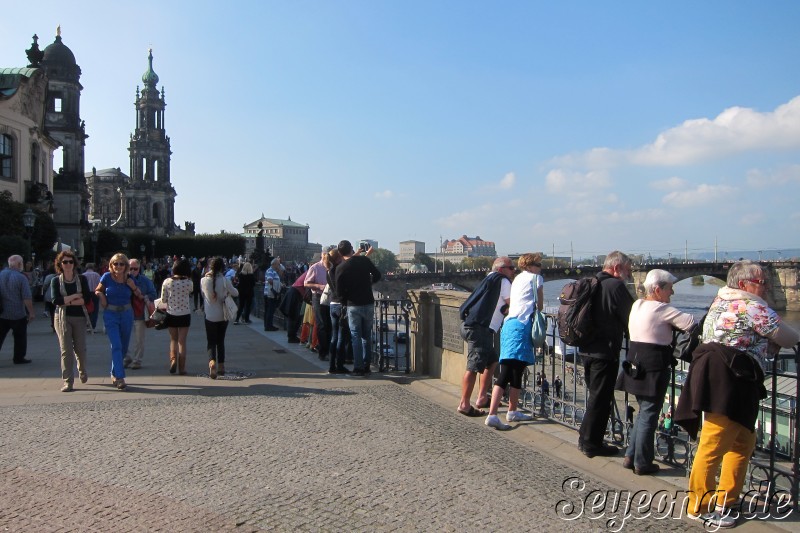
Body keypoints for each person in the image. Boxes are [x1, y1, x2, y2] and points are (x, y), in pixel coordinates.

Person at [675, 260, 799, 528]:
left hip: (724, 376)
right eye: (761, 282)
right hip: (729, 379)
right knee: (713, 444)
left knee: (742, 442)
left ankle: (726, 500)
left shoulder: (719, 299)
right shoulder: (749, 305)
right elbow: (789, 337)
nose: (766, 287)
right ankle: (700, 505)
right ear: (744, 285)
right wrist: (773, 340)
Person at [615, 269, 695, 475]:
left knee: (643, 413)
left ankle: (630, 456)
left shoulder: (637, 304)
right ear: (657, 289)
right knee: (649, 414)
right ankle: (643, 463)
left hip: (634, 363)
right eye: (670, 288)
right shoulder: (661, 309)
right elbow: (691, 324)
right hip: (654, 366)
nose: (672, 293)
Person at [577, 251, 634, 457]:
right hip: (605, 349)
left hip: (585, 347)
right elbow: (631, 317)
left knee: (595, 397)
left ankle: (585, 438)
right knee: (600, 399)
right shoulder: (616, 286)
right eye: (627, 270)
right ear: (617, 267)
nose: (628, 275)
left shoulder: (590, 281)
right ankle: (592, 443)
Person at [485, 253, 542, 429]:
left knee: (516, 370)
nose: (541, 267)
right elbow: (540, 305)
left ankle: (512, 411)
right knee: (508, 372)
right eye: (539, 264)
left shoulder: (516, 279)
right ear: (531, 265)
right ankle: (493, 414)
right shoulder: (536, 278)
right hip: (522, 326)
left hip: (509, 325)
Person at [456, 257, 513, 416]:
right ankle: (464, 404)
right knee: (473, 366)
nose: (513, 271)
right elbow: (513, 304)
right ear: (501, 270)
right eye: (511, 268)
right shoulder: (504, 282)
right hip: (480, 329)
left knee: (492, 360)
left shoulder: (489, 278)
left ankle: (482, 398)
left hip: (470, 325)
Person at [95, 253, 143, 390]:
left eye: (121, 264)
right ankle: (120, 377)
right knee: (116, 344)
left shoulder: (129, 278)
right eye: (115, 263)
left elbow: (139, 295)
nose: (118, 266)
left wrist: (133, 286)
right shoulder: (107, 277)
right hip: (111, 314)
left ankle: (114, 373)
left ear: (126, 266)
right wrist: (102, 297)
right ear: (111, 265)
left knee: (123, 346)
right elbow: (98, 290)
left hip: (126, 314)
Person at [333, 240, 381, 376]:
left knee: (355, 337)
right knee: (366, 336)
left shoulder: (340, 268)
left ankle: (358, 367)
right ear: (351, 249)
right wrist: (369, 284)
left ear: (340, 253)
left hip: (353, 304)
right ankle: (367, 365)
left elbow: (339, 291)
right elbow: (377, 275)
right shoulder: (364, 261)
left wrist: (345, 300)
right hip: (368, 302)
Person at [50, 251, 92, 392]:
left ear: (74, 263)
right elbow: (56, 301)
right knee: (66, 350)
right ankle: (68, 381)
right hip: (62, 318)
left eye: (70, 262)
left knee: (80, 348)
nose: (68, 264)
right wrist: (74, 296)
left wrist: (66, 300)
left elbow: (86, 299)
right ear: (60, 264)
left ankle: (82, 369)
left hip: (79, 317)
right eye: (65, 262)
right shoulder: (55, 281)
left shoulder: (82, 279)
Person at [201, 257, 239, 379]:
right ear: (222, 267)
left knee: (211, 342)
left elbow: (203, 295)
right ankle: (221, 366)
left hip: (209, 315)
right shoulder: (224, 280)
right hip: (223, 316)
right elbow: (235, 293)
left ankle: (212, 362)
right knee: (220, 341)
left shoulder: (203, 280)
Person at [0, 255, 36, 364]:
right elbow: (26, 296)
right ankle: (18, 357)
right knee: (20, 337)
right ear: (19, 264)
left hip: (1, 313)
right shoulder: (21, 277)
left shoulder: (0, 274)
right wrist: (31, 312)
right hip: (18, 313)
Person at [160, 258, 193, 375]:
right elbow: (190, 292)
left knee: (173, 339)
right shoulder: (189, 282)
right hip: (184, 314)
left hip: (171, 313)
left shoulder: (167, 282)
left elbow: (163, 299)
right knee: (182, 342)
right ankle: (182, 368)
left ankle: (173, 360)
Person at [124, 258, 157, 370]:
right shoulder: (122, 280)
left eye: (135, 269)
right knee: (123, 337)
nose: (133, 271)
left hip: (139, 312)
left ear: (139, 269)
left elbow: (153, 293)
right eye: (130, 268)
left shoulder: (145, 281)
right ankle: (126, 357)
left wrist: (144, 297)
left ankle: (137, 360)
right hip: (124, 312)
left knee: (139, 339)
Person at [325, 249, 349, 374]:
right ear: (338, 258)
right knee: (341, 338)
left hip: (332, 304)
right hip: (341, 305)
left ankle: (331, 366)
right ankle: (339, 365)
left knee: (334, 337)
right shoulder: (339, 270)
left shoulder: (328, 271)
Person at [305, 253, 330, 361]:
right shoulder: (315, 267)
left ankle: (326, 348)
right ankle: (322, 352)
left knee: (329, 324)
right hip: (318, 296)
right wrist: (319, 286)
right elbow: (306, 283)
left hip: (330, 297)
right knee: (321, 324)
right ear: (323, 256)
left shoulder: (332, 267)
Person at [263, 258, 282, 331]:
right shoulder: (270, 271)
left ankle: (267, 325)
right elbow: (270, 280)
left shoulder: (273, 271)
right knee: (270, 310)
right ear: (274, 264)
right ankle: (269, 326)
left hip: (268, 293)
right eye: (278, 264)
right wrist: (277, 285)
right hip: (270, 293)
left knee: (268, 310)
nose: (279, 265)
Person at [82, 263, 101, 331]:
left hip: (85, 293)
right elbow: (100, 284)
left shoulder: (83, 275)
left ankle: (86, 323)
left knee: (85, 309)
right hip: (95, 293)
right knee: (95, 309)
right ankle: (93, 325)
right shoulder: (96, 274)